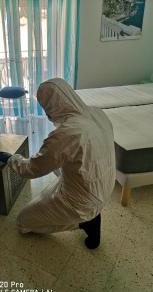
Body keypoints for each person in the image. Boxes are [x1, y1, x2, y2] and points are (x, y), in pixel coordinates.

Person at [7, 78, 116, 249]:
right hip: (105, 187)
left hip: (82, 201)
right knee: (60, 163)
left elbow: (33, 169)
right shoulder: (97, 113)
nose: (47, 113)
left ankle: (85, 221)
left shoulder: (67, 133)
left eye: (46, 107)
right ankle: (91, 217)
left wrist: (11, 159)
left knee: (22, 221)